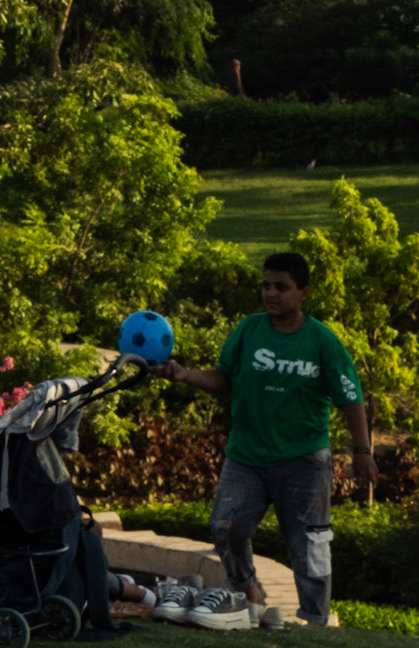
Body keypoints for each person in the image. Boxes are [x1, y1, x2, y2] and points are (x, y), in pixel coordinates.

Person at [158, 252, 379, 628]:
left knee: (311, 545)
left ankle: (315, 622)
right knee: (226, 528)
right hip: (246, 456)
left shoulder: (322, 341)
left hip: (304, 460)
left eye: (281, 287)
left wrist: (362, 451)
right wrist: (184, 375)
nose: (271, 293)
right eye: (266, 285)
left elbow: (350, 396)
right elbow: (224, 378)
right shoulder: (249, 330)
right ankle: (248, 593)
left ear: (303, 292)